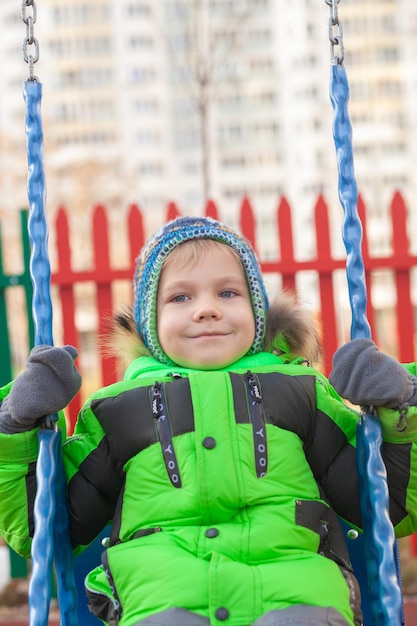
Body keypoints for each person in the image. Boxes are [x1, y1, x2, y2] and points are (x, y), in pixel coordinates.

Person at [0, 216, 417, 626]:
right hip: (163, 595)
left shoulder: (301, 394)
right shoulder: (118, 411)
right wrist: (16, 426)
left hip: (296, 590)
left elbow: (390, 504)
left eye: (228, 293)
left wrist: (403, 405)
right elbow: (46, 529)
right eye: (180, 298)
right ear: (150, 321)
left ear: (258, 312)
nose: (206, 310)